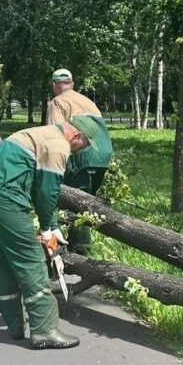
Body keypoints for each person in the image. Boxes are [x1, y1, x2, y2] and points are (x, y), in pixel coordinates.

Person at [0, 115, 106, 349]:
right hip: (2, 197)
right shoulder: (59, 145)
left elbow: (38, 186)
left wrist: (52, 227)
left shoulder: (40, 133)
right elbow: (47, 192)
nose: (81, 152)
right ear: (77, 136)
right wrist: (47, 229)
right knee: (30, 258)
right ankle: (44, 330)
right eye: (85, 146)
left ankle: (14, 324)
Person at [45, 68, 114, 254]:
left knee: (69, 202)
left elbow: (56, 137)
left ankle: (76, 253)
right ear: (72, 84)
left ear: (54, 86)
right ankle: (76, 251)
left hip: (82, 156)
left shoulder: (56, 103)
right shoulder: (87, 101)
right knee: (84, 204)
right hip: (103, 156)